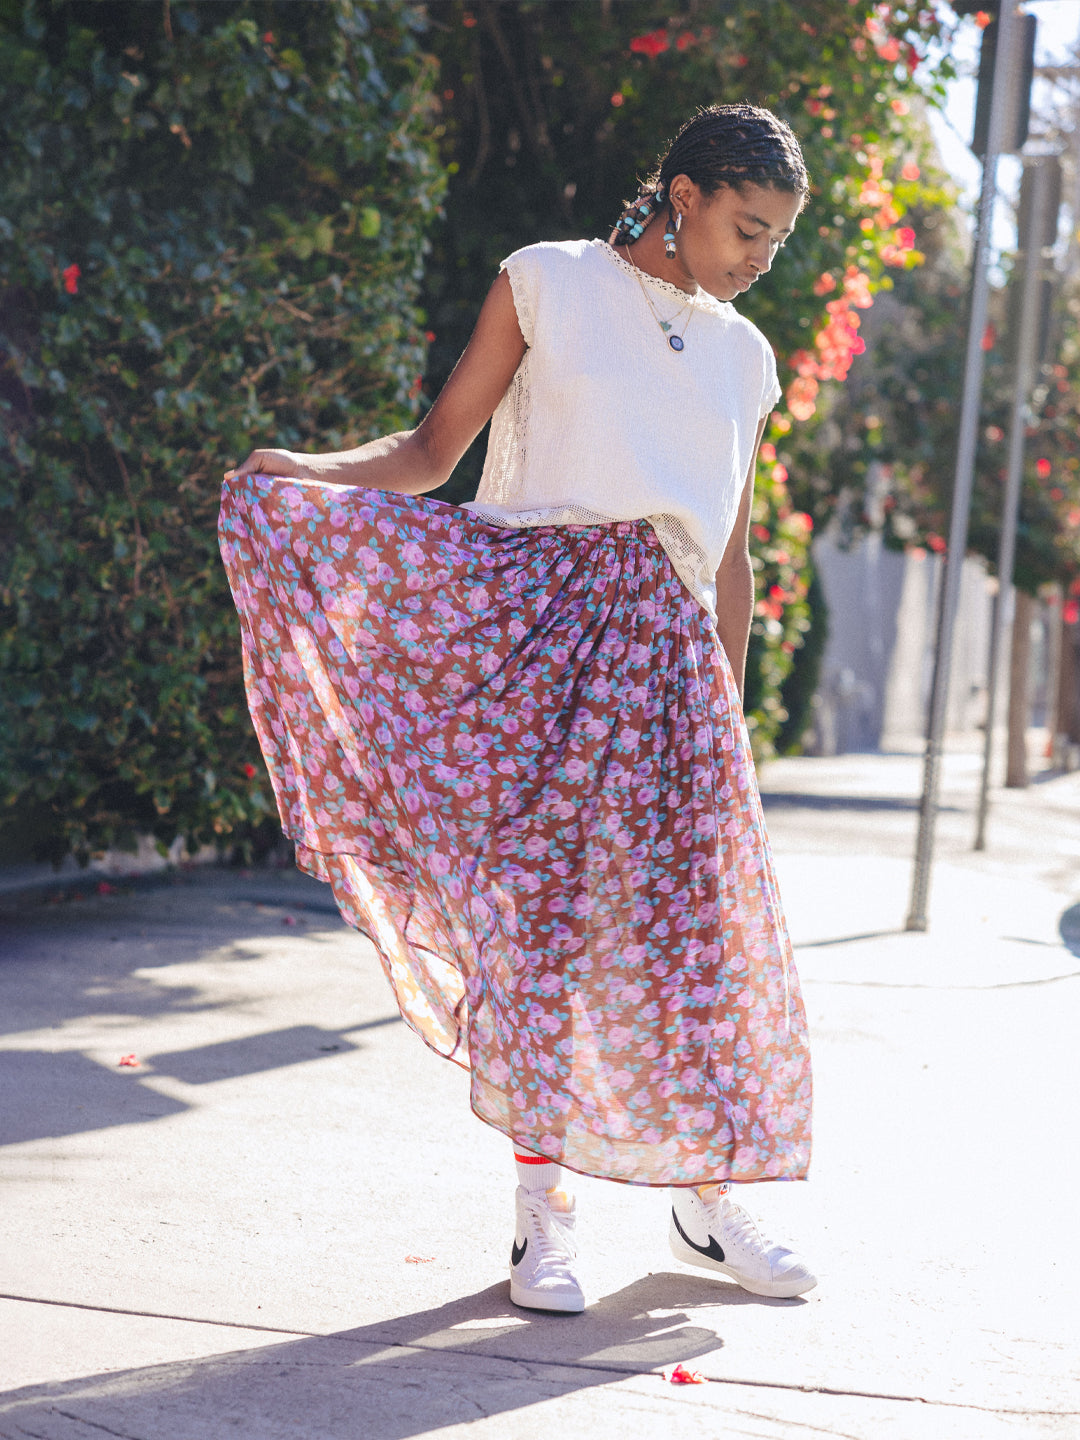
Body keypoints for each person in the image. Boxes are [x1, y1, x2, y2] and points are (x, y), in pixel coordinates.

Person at [220, 102, 815, 1314]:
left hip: (674, 680)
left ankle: (711, 1199)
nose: (762, 258)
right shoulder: (546, 282)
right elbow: (437, 450)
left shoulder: (748, 358)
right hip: (540, 646)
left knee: (695, 944)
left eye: (780, 241)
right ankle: (544, 1219)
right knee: (542, 939)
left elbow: (732, 555)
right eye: (748, 228)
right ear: (684, 196)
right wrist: (312, 474)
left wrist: (730, 711)